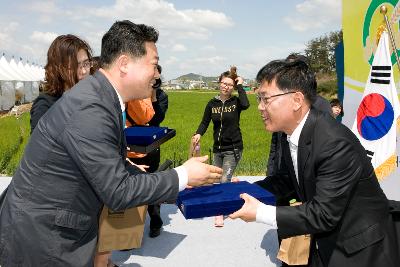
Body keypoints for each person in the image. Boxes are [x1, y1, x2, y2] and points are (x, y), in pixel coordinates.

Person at [0, 20, 222, 267]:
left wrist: (177, 182)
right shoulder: (91, 108)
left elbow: (110, 163)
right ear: (125, 63)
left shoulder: (102, 98)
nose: (158, 74)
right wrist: (182, 175)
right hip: (44, 240)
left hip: (54, 229)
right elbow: (118, 191)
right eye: (154, 65)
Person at [230, 58, 399, 266]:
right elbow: (287, 180)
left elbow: (324, 213)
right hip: (326, 241)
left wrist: (260, 213)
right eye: (259, 99)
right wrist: (245, 193)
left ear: (296, 100)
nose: (260, 108)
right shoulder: (290, 132)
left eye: (266, 99)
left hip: (361, 249)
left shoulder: (334, 142)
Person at [192, 66, 250, 227]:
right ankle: (233, 182)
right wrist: (198, 134)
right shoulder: (212, 103)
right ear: (219, 83)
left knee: (224, 180)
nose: (226, 86)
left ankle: (220, 211)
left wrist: (240, 86)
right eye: (224, 83)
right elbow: (205, 122)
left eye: (230, 84)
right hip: (217, 148)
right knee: (217, 178)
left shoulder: (236, 102)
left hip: (233, 148)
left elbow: (246, 104)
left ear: (233, 87)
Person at [125, 64, 168, 238]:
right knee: (130, 190)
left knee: (150, 186)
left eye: (155, 77)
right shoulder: (131, 94)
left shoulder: (162, 95)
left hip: (150, 147)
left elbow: (157, 118)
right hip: (129, 148)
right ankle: (130, 231)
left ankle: (155, 220)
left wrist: (153, 95)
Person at [30, 34, 93, 133]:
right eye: (76, 66)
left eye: (86, 64)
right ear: (58, 68)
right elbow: (39, 146)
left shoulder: (89, 99)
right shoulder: (46, 106)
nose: (84, 71)